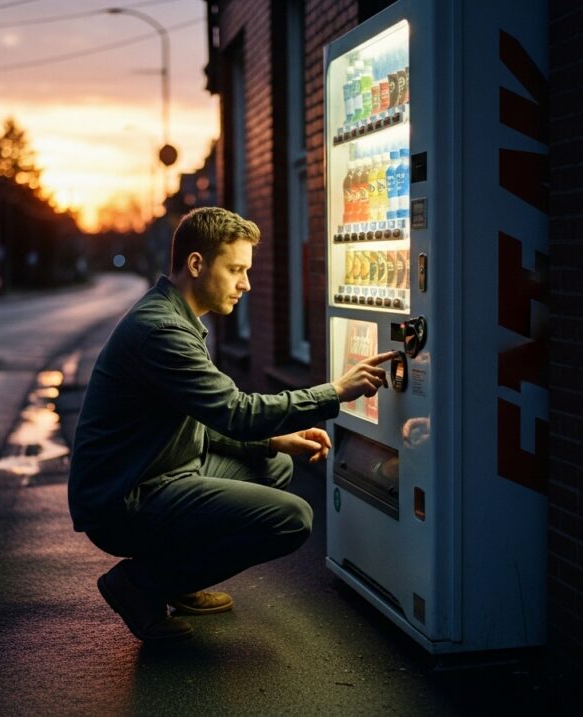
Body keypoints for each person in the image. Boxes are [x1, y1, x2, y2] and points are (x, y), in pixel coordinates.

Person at [68, 206, 395, 641]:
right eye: (236, 269)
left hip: (155, 472)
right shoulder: (162, 331)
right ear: (197, 264)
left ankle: (177, 579)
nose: (246, 284)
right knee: (293, 519)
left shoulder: (175, 317)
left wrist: (272, 442)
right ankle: (140, 584)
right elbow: (235, 411)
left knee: (275, 465)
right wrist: (335, 392)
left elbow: (202, 419)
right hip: (124, 500)